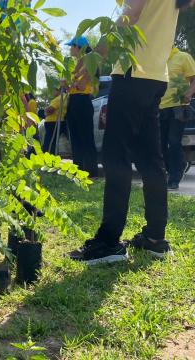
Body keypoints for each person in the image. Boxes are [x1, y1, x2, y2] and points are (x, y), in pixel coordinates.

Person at [69, 0, 195, 265]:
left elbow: (131, 14)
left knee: (117, 156)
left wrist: (96, 55)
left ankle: (109, 242)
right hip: (156, 78)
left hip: (132, 73)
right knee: (151, 158)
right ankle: (155, 238)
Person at [159, 47, 195, 190]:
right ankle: (177, 166)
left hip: (178, 106)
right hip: (160, 107)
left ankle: (174, 178)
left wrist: (189, 93)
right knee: (160, 144)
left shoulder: (183, 57)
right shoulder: (158, 59)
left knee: (174, 142)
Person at [65, 36, 99, 178]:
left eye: (72, 46)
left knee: (86, 137)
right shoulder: (77, 63)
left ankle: (91, 172)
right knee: (75, 138)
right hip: (73, 101)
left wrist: (69, 82)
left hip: (83, 100)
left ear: (79, 47)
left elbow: (81, 85)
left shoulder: (90, 62)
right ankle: (77, 171)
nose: (70, 49)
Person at [43, 88, 68, 154]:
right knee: (53, 142)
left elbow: (49, 110)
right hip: (58, 121)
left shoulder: (59, 98)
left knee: (49, 143)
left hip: (53, 122)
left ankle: (47, 157)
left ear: (58, 90)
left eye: (53, 90)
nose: (52, 92)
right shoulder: (65, 97)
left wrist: (46, 110)